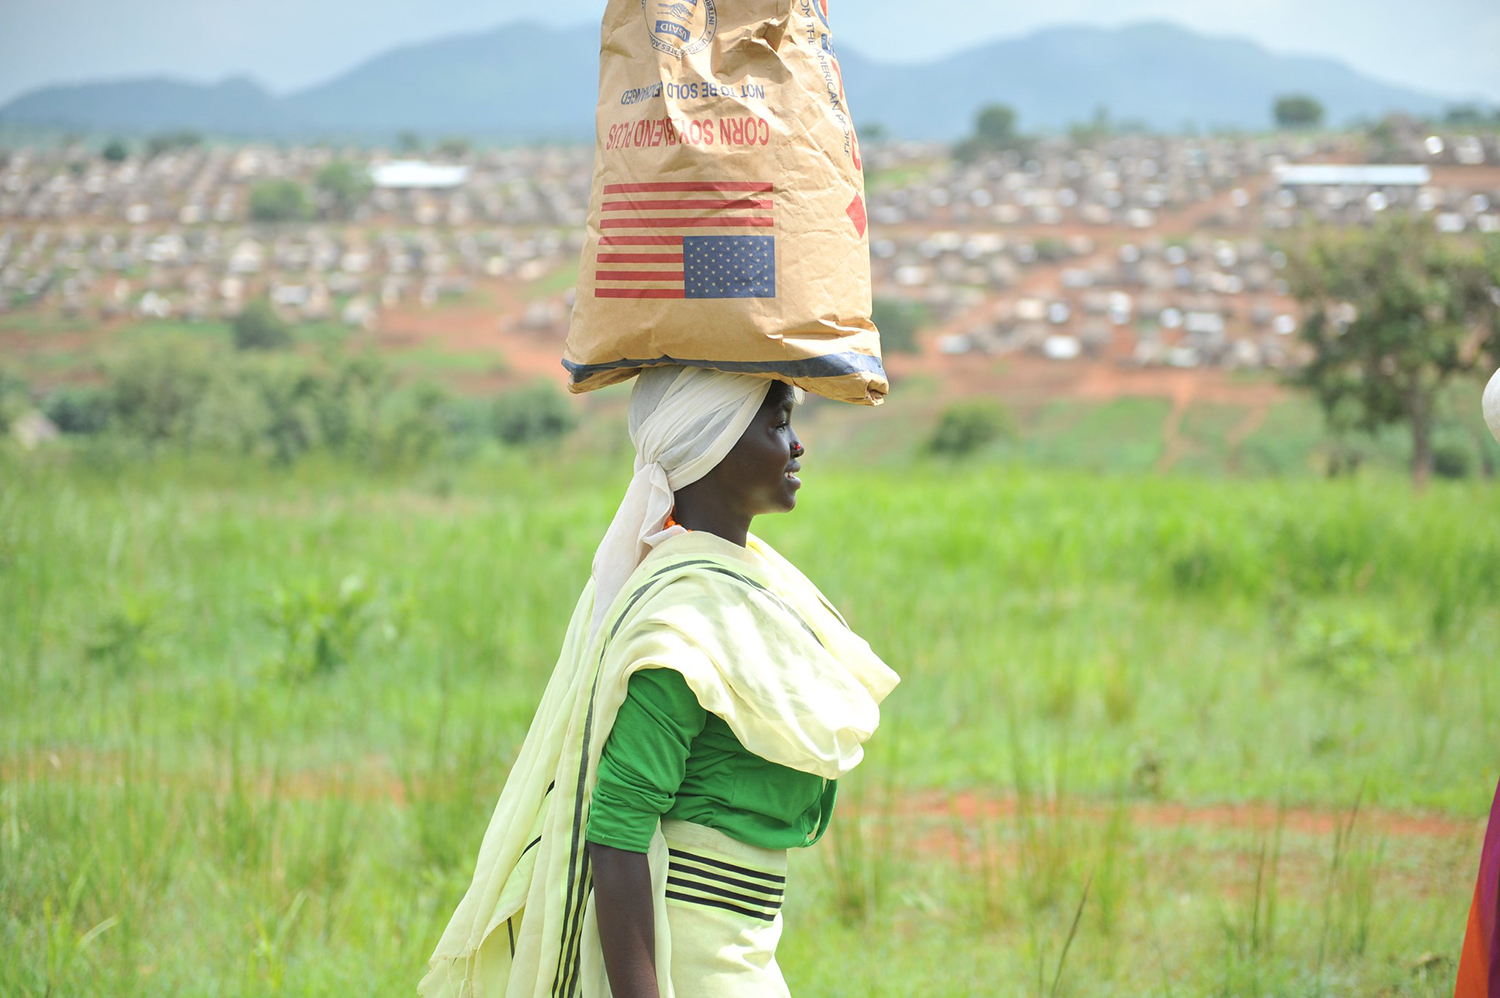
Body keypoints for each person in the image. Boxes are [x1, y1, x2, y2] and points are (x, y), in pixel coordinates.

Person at [421, 366, 898, 998]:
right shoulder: (678, 625)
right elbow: (617, 834)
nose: (797, 445)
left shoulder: (731, 585)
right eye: (780, 422)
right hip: (690, 951)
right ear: (713, 445)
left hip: (740, 940)